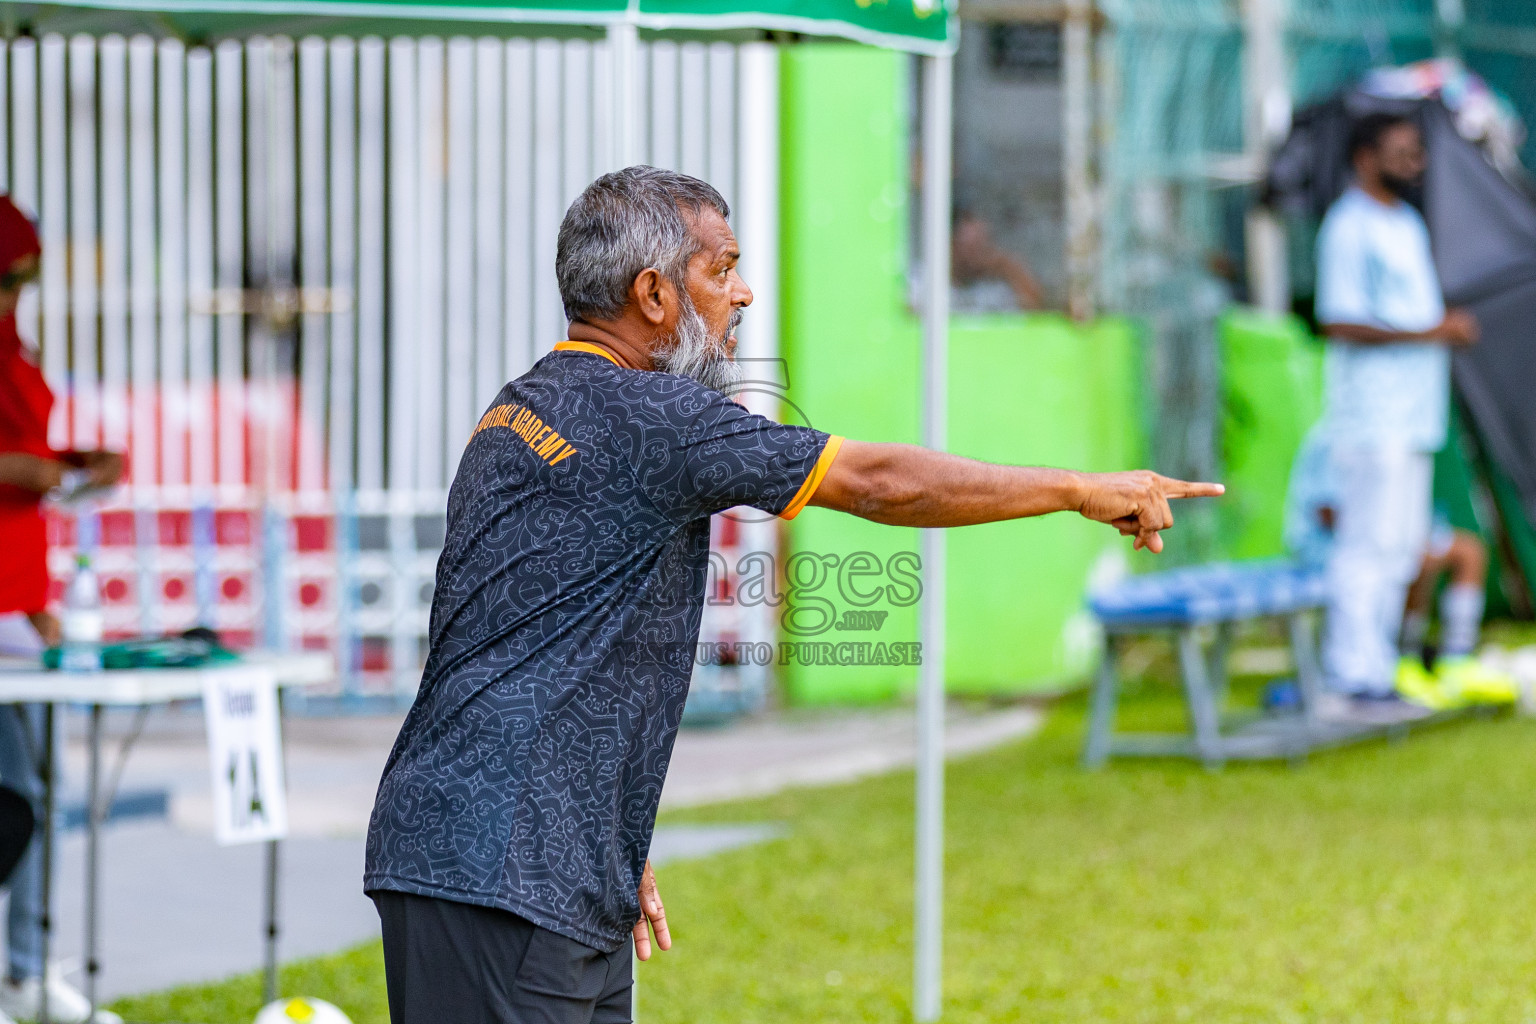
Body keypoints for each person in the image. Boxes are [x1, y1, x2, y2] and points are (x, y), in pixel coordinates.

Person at [362, 166, 1222, 1024]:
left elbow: (516, 639)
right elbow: (880, 481)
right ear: (654, 293)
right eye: (721, 268)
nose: (741, 294)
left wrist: (598, 827)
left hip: (537, 854)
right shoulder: (653, 414)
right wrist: (1077, 488)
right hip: (498, 864)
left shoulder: (520, 408)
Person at [0, 196, 124, 1024]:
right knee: (17, 794)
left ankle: (27, 969)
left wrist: (70, 463)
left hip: (22, 603)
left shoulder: (14, 345)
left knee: (36, 789)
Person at [1313, 112, 1480, 722]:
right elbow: (1337, 319)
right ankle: (1350, 675)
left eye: (1418, 152)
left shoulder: (1406, 223)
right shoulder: (1347, 228)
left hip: (1414, 414)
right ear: (1364, 157)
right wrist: (1432, 330)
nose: (1414, 163)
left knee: (1405, 546)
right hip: (1371, 418)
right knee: (1367, 543)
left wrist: (1433, 330)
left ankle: (1379, 669)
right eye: (1400, 152)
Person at [1283, 423, 1510, 707]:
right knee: (1413, 560)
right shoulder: (1333, 439)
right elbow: (1326, 511)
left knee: (1467, 551)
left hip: (1384, 543)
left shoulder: (1403, 439)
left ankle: (1457, 658)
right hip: (1330, 550)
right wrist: (1385, 533)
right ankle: (1403, 656)